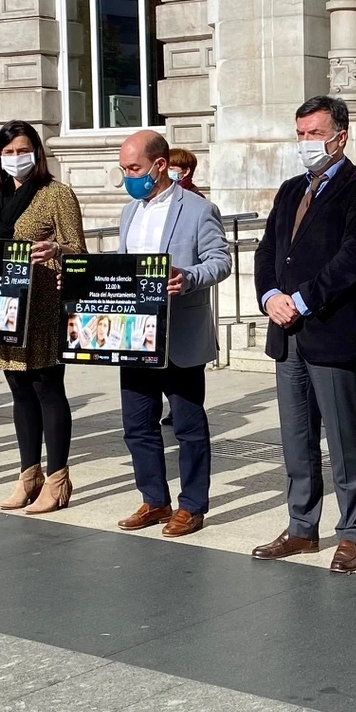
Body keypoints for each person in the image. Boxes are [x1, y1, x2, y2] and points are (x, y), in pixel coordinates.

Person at [251, 95, 356, 574]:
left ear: (340, 136)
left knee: (343, 437)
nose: (306, 142)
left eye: (314, 133)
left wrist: (304, 300)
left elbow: (353, 259)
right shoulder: (290, 190)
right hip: (285, 333)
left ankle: (351, 533)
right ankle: (301, 527)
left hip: (332, 331)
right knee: (296, 438)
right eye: (301, 133)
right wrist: (270, 297)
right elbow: (268, 250)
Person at [112, 130, 232, 538]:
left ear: (160, 165)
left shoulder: (198, 210)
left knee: (187, 425)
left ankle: (192, 505)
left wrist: (189, 277)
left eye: (134, 168)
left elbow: (220, 261)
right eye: (124, 169)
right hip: (136, 334)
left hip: (179, 333)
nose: (128, 176)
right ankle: (154, 499)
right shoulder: (130, 211)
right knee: (137, 424)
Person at [0, 121, 86, 514]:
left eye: (23, 150)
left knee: (47, 388)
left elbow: (78, 248)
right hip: (7, 305)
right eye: (9, 152)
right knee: (19, 389)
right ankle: (28, 473)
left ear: (38, 152)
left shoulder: (56, 193)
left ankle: (58, 477)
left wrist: (56, 250)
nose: (16, 158)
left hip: (44, 303)